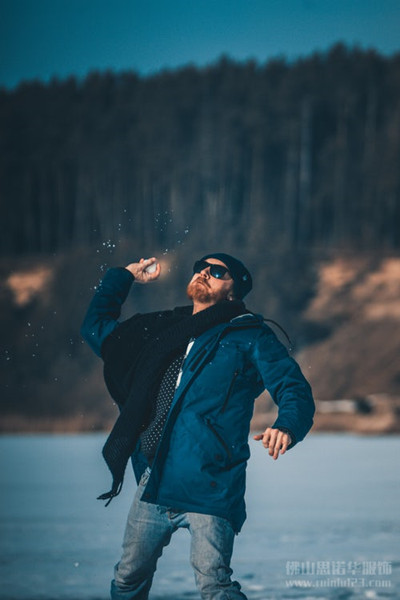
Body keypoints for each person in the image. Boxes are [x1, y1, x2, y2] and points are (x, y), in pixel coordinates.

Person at [81, 252, 315, 600]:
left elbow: (293, 388)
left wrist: (287, 426)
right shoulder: (162, 331)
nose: (205, 272)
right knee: (127, 580)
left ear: (234, 292)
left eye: (218, 272)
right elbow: (95, 328)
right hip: (154, 481)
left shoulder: (250, 336)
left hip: (211, 482)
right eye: (201, 268)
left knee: (214, 586)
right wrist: (124, 277)